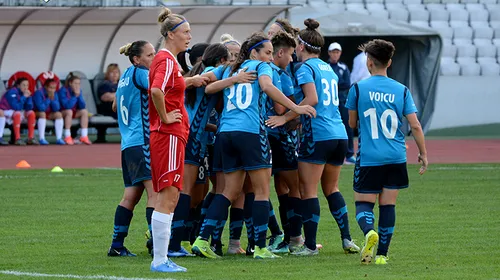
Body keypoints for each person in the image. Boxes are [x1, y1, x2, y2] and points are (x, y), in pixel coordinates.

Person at [191, 31, 316, 260]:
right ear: (254, 52)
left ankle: (201, 239)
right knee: (261, 191)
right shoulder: (261, 67)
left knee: (228, 191)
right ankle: (260, 247)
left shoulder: (229, 68)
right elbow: (267, 87)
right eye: (267, 52)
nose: (270, 56)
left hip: (225, 134)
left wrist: (232, 80)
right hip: (250, 132)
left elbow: (208, 88)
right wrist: (296, 109)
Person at [266, 19, 360, 256]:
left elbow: (312, 99)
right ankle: (347, 238)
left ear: (300, 46)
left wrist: (285, 118)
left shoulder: (306, 68)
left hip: (318, 135)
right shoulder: (328, 68)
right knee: (332, 188)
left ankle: (309, 246)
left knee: (307, 191)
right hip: (339, 134)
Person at [345, 39, 428, 265]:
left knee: (363, 203)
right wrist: (423, 154)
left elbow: (352, 123)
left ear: (368, 62)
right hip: (396, 156)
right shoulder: (401, 90)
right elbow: (416, 125)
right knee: (388, 205)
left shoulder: (358, 88)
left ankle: (369, 231)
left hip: (370, 157)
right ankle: (382, 255)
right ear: (389, 62)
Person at [148, 7, 210, 273]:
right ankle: (160, 260)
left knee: (170, 195)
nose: (189, 37)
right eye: (185, 32)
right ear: (171, 34)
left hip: (172, 136)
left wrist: (192, 80)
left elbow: (170, 86)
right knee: (169, 196)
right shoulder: (166, 60)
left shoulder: (170, 61)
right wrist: (165, 117)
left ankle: (162, 257)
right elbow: (156, 90)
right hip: (168, 136)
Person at [106, 40, 157, 258]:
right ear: (137, 59)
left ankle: (117, 245)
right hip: (142, 141)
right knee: (155, 194)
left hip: (127, 144)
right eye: (149, 55)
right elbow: (159, 89)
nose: (153, 58)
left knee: (130, 196)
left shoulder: (125, 75)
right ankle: (157, 243)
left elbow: (115, 106)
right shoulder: (140, 73)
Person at [265, 31, 299, 254]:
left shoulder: (262, 71)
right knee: (295, 189)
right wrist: (294, 112)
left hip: (262, 138)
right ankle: (295, 238)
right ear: (281, 52)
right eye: (291, 54)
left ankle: (280, 237)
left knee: (269, 190)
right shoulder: (281, 75)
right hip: (279, 138)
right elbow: (280, 109)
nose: (292, 59)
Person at [327, 42, 355, 164]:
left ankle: (349, 153)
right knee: (329, 125)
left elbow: (347, 84)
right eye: (333, 52)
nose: (335, 54)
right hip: (329, 101)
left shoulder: (343, 67)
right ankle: (330, 152)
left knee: (347, 125)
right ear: (329, 53)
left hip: (342, 100)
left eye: (337, 52)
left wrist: (335, 84)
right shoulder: (325, 66)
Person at [0, 78, 37, 145]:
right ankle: (17, 138)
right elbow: (16, 107)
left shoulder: (24, 93)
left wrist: (29, 98)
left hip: (15, 111)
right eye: (23, 85)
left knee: (31, 113)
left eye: (27, 85)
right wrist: (24, 97)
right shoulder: (12, 92)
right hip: (5, 111)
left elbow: (29, 108)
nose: (26, 87)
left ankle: (30, 138)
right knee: (17, 113)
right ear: (18, 86)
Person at [58, 73, 91, 145]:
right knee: (69, 111)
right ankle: (67, 136)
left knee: (84, 112)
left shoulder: (79, 91)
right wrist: (75, 96)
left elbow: (82, 106)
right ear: (70, 83)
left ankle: (84, 136)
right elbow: (67, 106)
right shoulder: (63, 90)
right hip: (62, 113)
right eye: (75, 83)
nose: (77, 86)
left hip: (73, 112)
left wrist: (78, 96)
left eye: (79, 84)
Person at [33, 79, 65, 145]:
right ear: (46, 87)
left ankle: (59, 138)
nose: (52, 90)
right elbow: (41, 108)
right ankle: (42, 138)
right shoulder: (38, 93)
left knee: (59, 114)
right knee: (42, 114)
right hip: (36, 113)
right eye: (50, 88)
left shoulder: (55, 93)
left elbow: (57, 108)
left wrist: (53, 100)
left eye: (54, 88)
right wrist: (48, 99)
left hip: (48, 113)